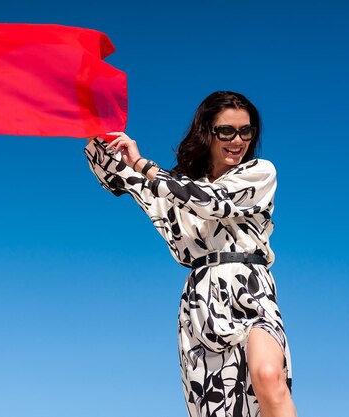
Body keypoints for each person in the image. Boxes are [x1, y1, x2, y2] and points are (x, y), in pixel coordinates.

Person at [84, 91, 297, 417]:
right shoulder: (174, 188)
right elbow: (122, 179)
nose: (237, 140)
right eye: (226, 131)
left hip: (251, 288)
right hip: (201, 300)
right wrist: (90, 123)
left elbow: (212, 200)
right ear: (207, 132)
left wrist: (146, 166)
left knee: (270, 378)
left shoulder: (259, 172)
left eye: (246, 131)